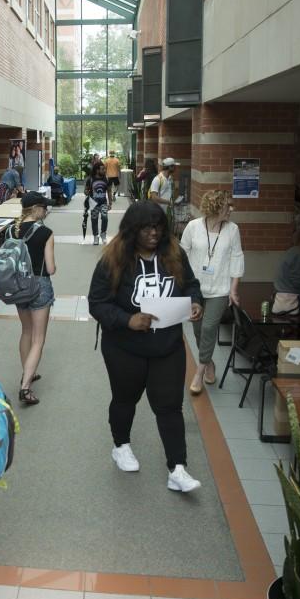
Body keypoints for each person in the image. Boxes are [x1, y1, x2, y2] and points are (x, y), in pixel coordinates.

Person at [88, 200, 204, 493]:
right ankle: (121, 445)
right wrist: (127, 320)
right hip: (125, 347)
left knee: (169, 407)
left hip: (167, 346)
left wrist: (195, 302)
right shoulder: (113, 261)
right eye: (147, 228)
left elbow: (191, 284)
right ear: (132, 230)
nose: (154, 233)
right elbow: (97, 303)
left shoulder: (173, 254)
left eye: (158, 227)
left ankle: (177, 468)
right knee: (125, 400)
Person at [180, 190, 244, 394]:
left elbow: (237, 257)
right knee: (198, 331)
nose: (231, 209)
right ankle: (209, 364)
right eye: (228, 206)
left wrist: (233, 290)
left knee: (208, 328)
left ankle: (198, 373)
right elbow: (182, 255)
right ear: (216, 208)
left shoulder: (233, 229)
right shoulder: (193, 227)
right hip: (195, 289)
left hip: (220, 289)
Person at [11, 191, 56, 406]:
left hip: (18, 285)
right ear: (36, 209)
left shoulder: (13, 229)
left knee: (26, 331)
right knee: (39, 339)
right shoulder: (46, 233)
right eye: (44, 207)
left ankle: (26, 372)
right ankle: (25, 387)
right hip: (39, 285)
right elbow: (51, 268)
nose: (46, 210)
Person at [85, 161, 111, 246]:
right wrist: (86, 192)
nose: (104, 170)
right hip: (94, 203)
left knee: (105, 218)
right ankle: (95, 236)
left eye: (104, 169)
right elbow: (86, 190)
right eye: (102, 169)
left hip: (103, 202)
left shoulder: (106, 178)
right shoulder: (90, 179)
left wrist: (110, 203)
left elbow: (109, 191)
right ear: (97, 170)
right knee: (94, 219)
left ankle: (103, 234)